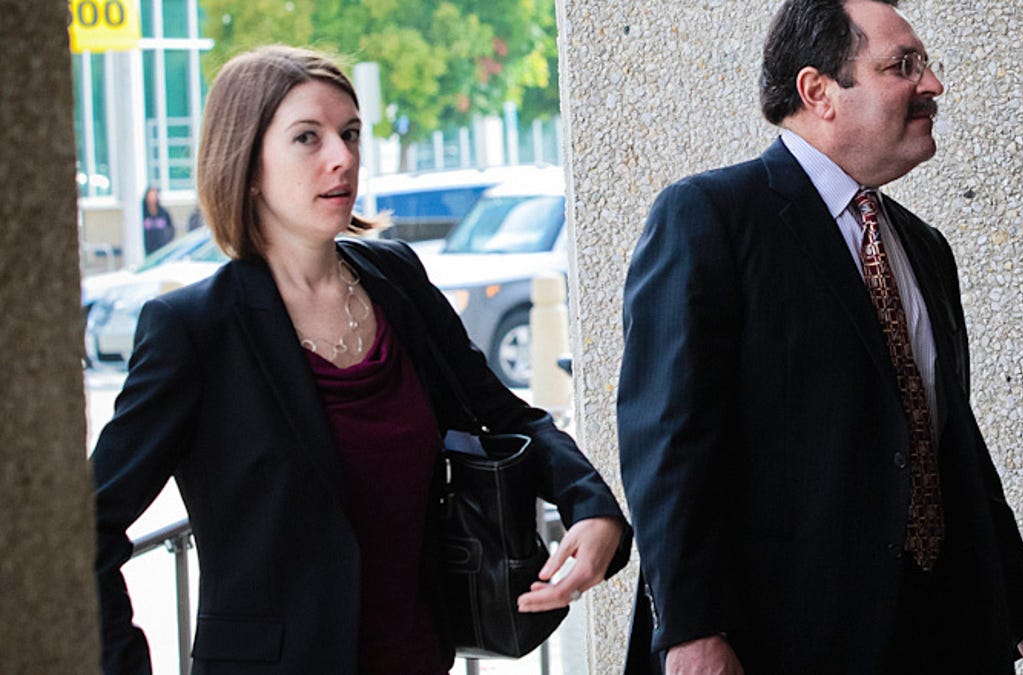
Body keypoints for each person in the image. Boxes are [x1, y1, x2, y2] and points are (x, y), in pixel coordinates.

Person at [92, 45, 630, 675]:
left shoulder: (395, 278)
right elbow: (85, 531)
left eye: (350, 133)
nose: (342, 157)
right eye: (307, 138)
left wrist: (590, 503)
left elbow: (504, 416)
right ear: (249, 163)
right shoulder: (194, 329)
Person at [617, 1, 1023, 673]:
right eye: (903, 66)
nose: (933, 85)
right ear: (818, 91)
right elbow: (668, 446)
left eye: (926, 65)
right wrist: (692, 628)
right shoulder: (712, 218)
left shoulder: (924, 248)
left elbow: (949, 449)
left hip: (944, 636)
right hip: (787, 641)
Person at [141, 186, 175, 254]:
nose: (152, 198)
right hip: (147, 249)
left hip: (161, 247)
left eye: (154, 195)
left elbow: (170, 228)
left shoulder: (163, 212)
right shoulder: (142, 213)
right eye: (150, 195)